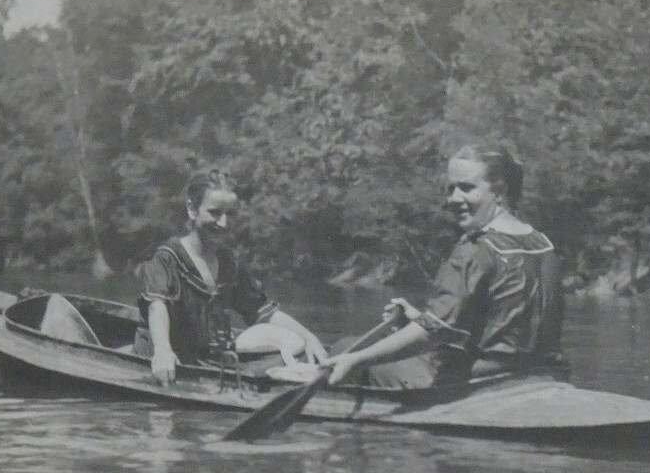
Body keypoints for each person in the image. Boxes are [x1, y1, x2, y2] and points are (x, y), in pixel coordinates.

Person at [323, 143, 564, 390]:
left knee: (344, 347)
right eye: (451, 188)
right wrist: (418, 318)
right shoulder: (543, 244)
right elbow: (501, 326)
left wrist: (354, 360)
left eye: (467, 188)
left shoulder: (474, 249)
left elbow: (432, 333)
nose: (453, 199)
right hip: (539, 373)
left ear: (500, 190)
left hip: (478, 382)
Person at [136, 169, 328, 384]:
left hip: (208, 361)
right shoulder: (166, 258)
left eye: (231, 214)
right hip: (165, 361)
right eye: (215, 212)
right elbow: (156, 307)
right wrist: (162, 351)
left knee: (300, 356)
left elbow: (262, 311)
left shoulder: (229, 264)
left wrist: (309, 338)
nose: (224, 223)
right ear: (192, 209)